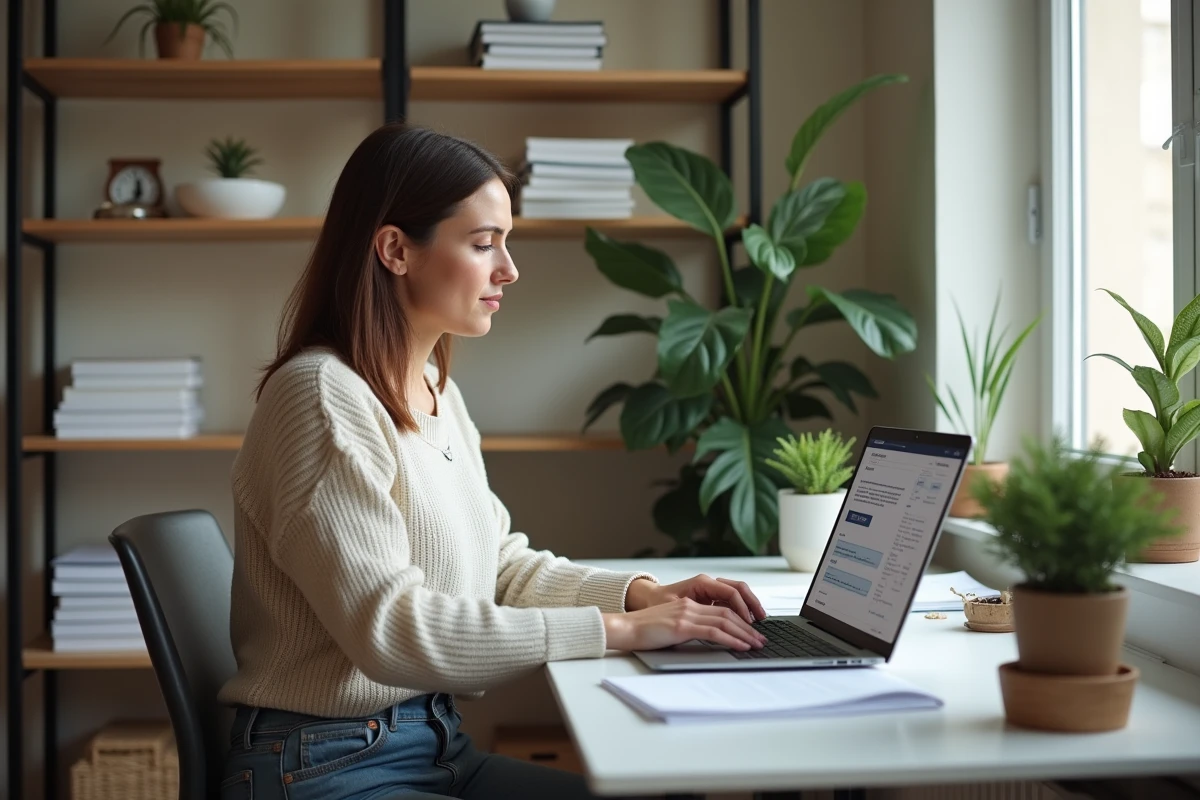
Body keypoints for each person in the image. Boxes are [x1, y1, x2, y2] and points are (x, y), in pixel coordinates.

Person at [217, 122, 768, 800]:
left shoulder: (436, 391)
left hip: (434, 746)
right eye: (483, 244)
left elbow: (499, 564)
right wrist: (617, 631)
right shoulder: (323, 397)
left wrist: (638, 595)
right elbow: (390, 629)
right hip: (324, 767)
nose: (508, 269)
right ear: (395, 249)